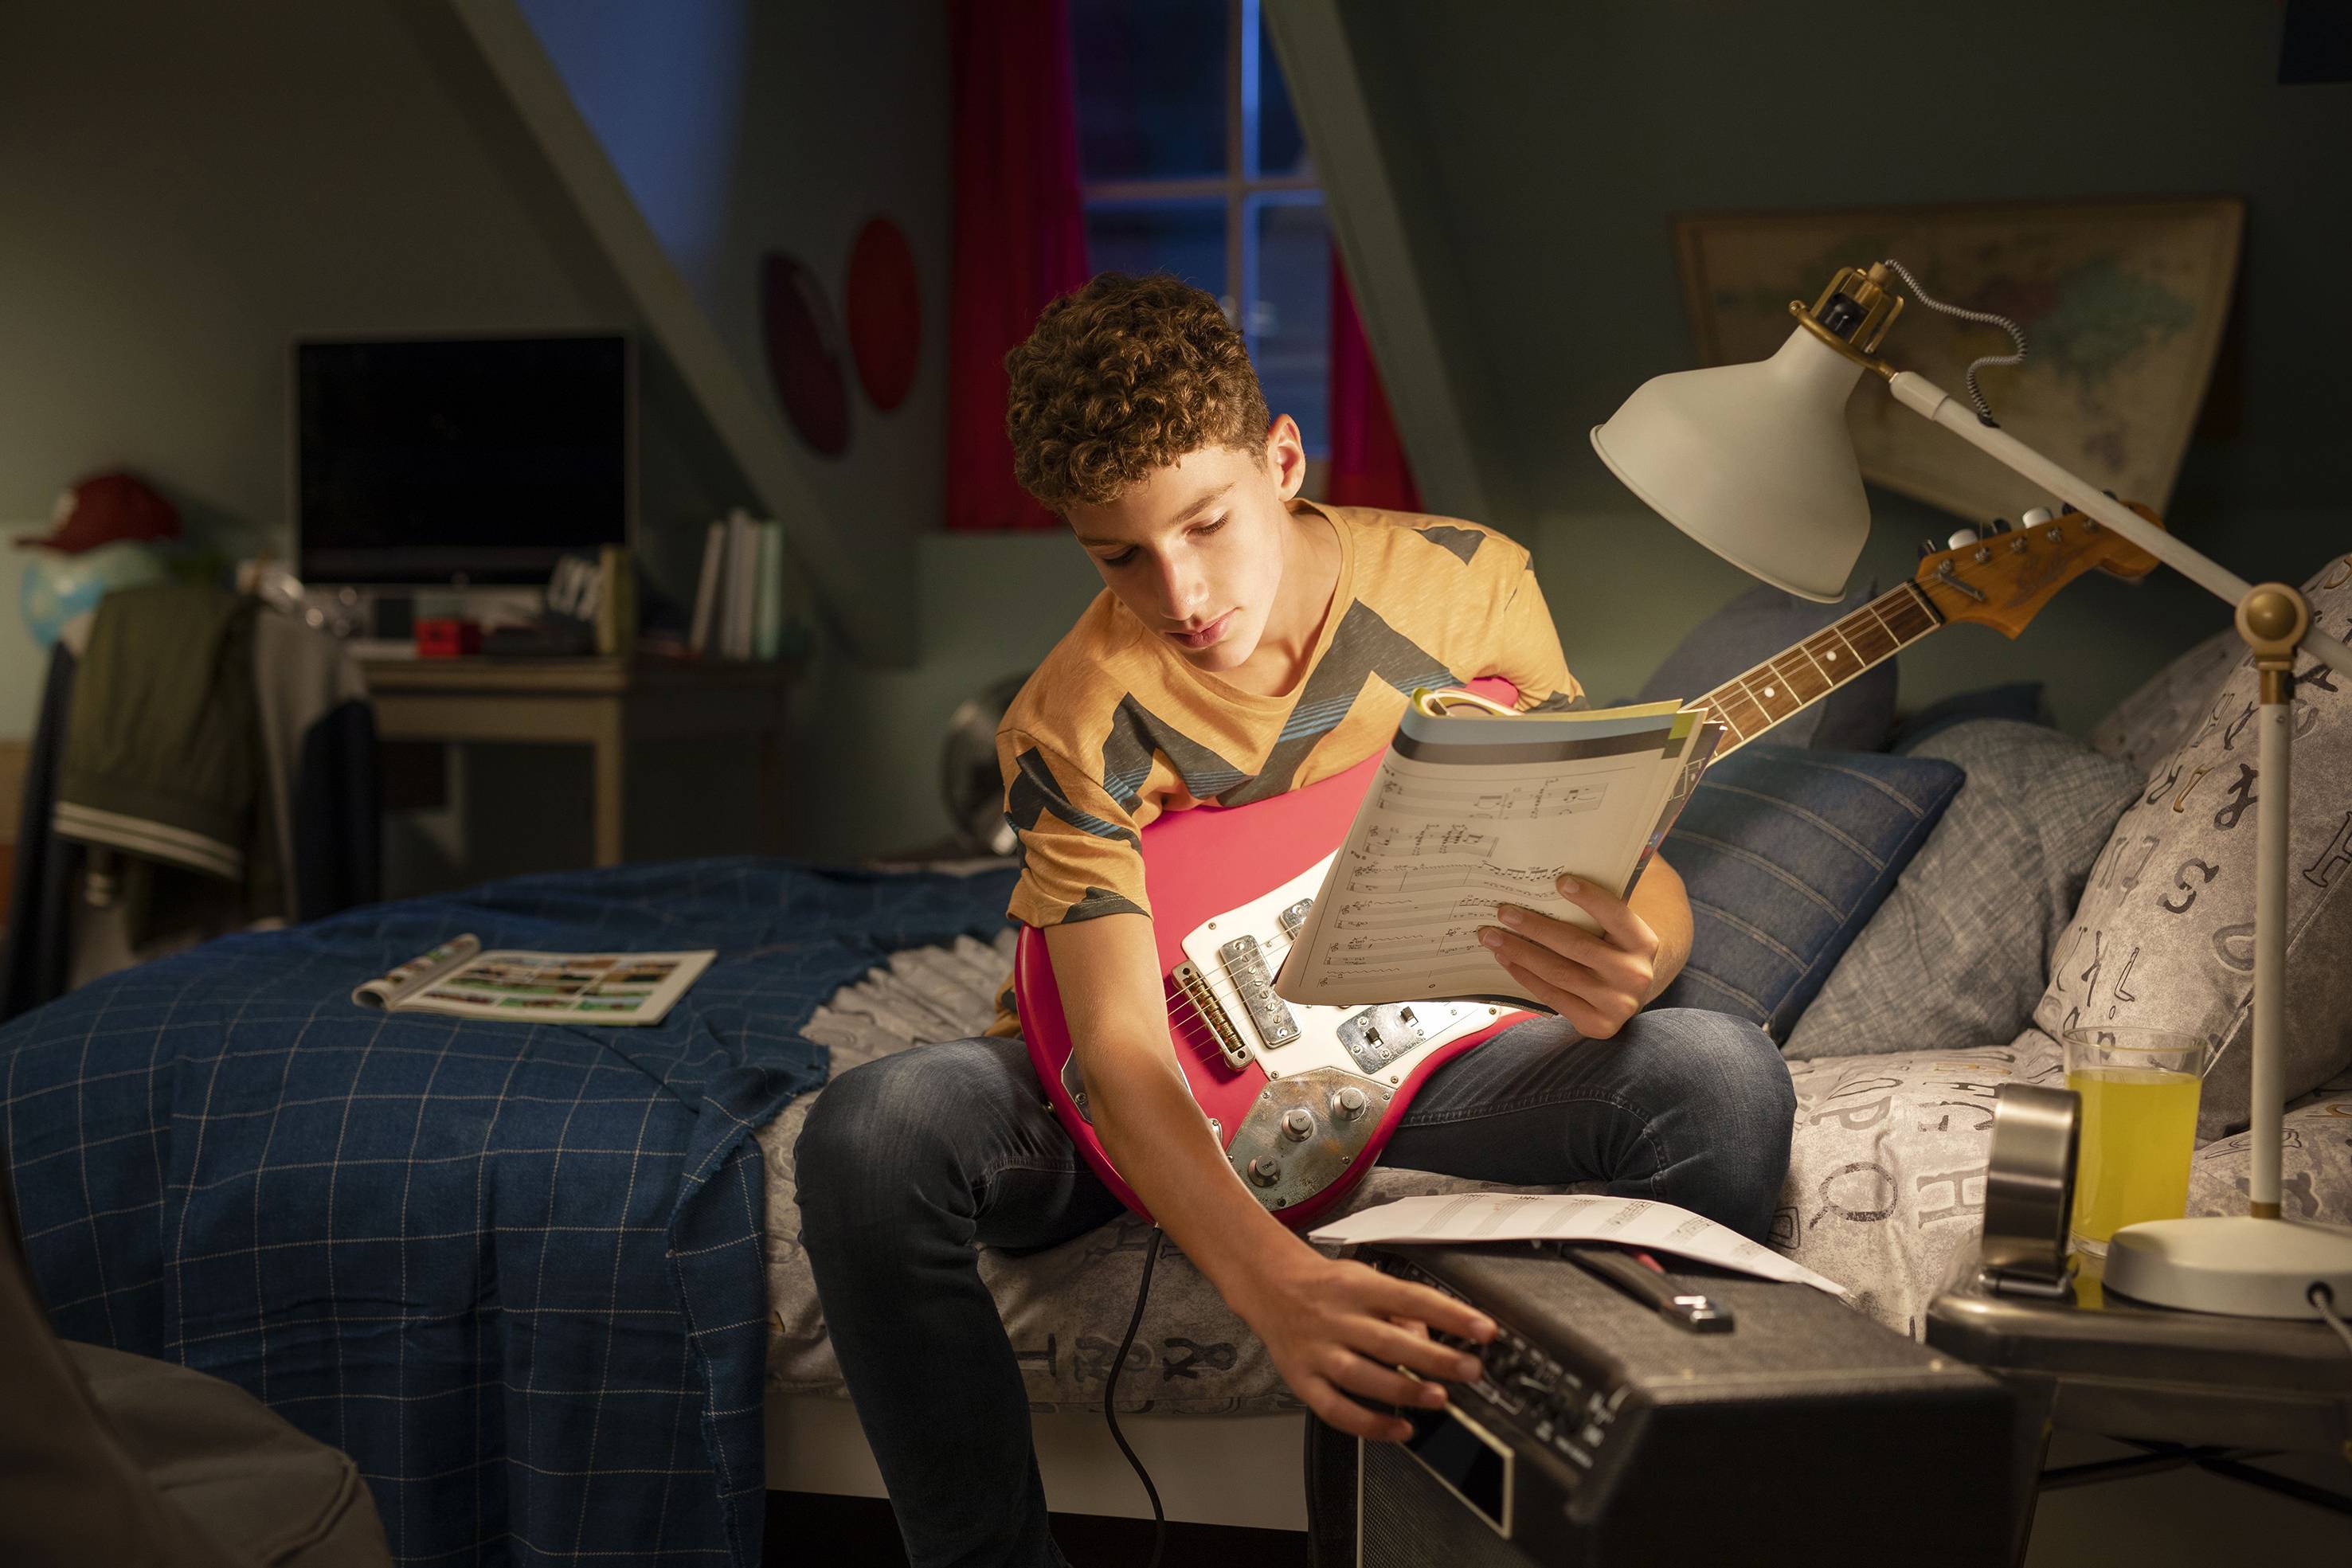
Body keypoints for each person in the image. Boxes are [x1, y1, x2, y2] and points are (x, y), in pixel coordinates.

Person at [796, 273, 1794, 1568]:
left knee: (1718, 1073)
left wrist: (1639, 952)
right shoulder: (1069, 714)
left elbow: (1622, 861)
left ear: (1282, 458)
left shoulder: (1469, 586)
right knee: (870, 1132)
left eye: (1208, 524)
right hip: (1123, 1086)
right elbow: (1115, 1046)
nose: (1180, 591)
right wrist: (1275, 1283)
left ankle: (1577, 1519)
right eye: (1118, 554)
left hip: (1424, 1048)